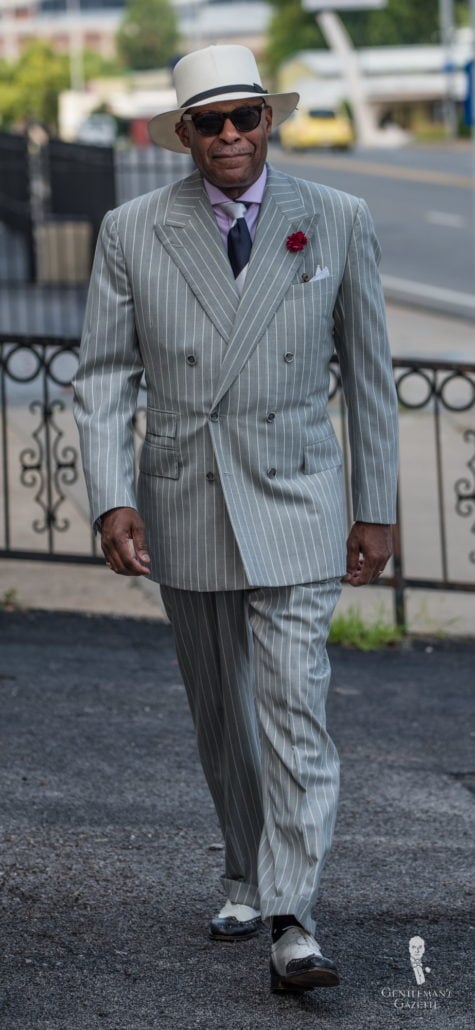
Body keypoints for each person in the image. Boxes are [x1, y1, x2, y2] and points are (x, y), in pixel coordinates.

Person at [73, 44, 398, 994]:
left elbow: (372, 377)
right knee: (224, 716)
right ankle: (244, 870)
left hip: (298, 492)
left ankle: (293, 915)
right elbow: (102, 376)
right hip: (187, 493)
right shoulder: (133, 229)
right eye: (208, 122)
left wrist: (373, 506)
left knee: (293, 707)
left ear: (270, 119)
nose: (229, 136)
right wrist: (109, 495)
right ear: (181, 134)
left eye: (244, 117)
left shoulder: (336, 218)